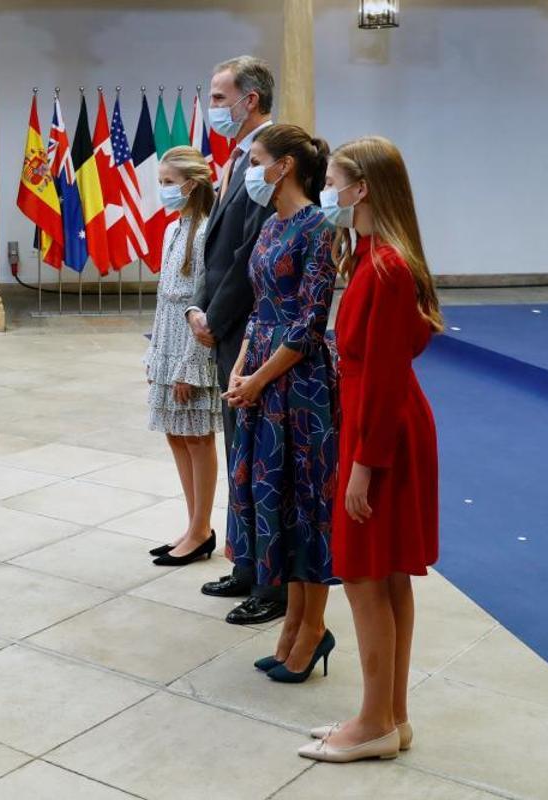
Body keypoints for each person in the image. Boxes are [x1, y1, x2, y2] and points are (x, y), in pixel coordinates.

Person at [300, 136, 441, 763]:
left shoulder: (383, 267)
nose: (326, 192)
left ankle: (374, 722)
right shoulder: (372, 255)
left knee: (363, 575)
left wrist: (361, 467)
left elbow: (381, 378)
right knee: (386, 576)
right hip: (379, 422)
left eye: (332, 181)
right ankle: (390, 715)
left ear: (362, 189)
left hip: (380, 429)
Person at [224, 124, 338, 684]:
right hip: (263, 377)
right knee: (278, 502)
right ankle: (292, 624)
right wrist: (241, 366)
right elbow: (260, 306)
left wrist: (259, 378)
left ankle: (312, 627)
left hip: (299, 381)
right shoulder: (271, 224)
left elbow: (308, 323)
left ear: (286, 165)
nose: (250, 168)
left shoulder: (318, 227)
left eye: (258, 159)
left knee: (305, 502)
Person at [188, 55, 284, 625]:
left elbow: (251, 252)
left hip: (250, 330)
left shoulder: (269, 160)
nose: (212, 108)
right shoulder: (237, 159)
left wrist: (216, 317)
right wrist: (201, 305)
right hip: (224, 323)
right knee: (238, 454)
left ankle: (270, 580)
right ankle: (246, 563)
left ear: (250, 100)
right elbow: (216, 246)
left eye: (219, 99)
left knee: (257, 456)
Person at [143, 146, 223, 567]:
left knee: (197, 435)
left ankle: (201, 528)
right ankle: (193, 524)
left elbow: (201, 300)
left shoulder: (208, 229)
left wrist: (189, 364)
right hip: (168, 337)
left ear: (191, 185)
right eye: (161, 183)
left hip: (192, 342)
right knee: (176, 433)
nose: (163, 191)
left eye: (169, 183)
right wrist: (155, 352)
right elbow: (163, 298)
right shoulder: (173, 229)